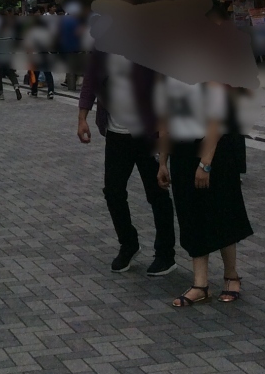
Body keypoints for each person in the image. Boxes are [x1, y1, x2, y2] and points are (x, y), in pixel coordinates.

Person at [78, 45, 177, 278]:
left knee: (157, 193)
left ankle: (165, 253)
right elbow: (90, 81)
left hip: (147, 134)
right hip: (116, 134)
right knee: (113, 192)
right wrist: (82, 118)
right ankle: (128, 243)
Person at [156, 77, 253, 306]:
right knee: (190, 214)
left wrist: (205, 163)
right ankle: (200, 284)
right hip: (181, 150)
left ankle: (231, 275)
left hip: (214, 151)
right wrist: (162, 162)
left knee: (222, 210)